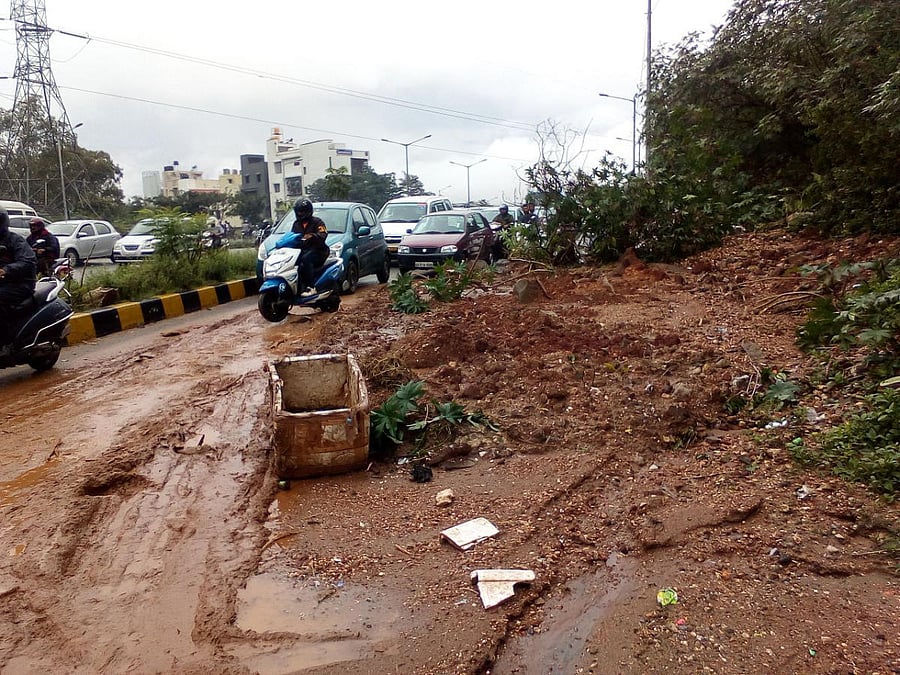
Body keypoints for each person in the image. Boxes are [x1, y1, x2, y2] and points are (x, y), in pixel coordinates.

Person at [0, 207, 37, 350]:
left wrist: (6, 270)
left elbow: (27, 261)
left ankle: (5, 342)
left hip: (20, 284)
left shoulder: (15, 240)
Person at [289, 198, 329, 297]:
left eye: (301, 211)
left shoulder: (317, 222)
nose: (299, 213)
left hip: (319, 251)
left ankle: (311, 287)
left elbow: (323, 233)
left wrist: (313, 236)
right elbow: (292, 236)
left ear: (307, 211)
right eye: (297, 211)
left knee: (306, 259)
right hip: (303, 251)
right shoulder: (296, 224)